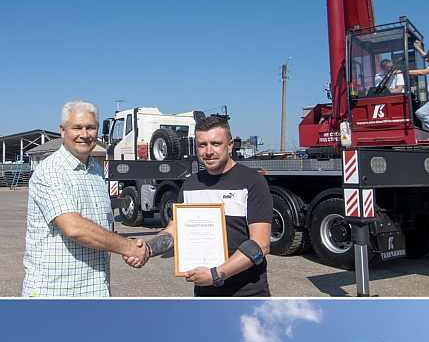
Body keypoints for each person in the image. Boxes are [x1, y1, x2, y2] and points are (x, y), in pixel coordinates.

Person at [22, 100, 149, 296]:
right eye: (77, 127)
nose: (84, 134)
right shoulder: (51, 170)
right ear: (63, 131)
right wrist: (127, 247)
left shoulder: (96, 170)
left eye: (90, 127)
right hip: (56, 292)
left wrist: (128, 244)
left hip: (95, 289)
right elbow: (74, 228)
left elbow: (101, 226)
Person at [136, 114, 271, 296]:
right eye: (202, 145)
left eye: (216, 144)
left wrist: (216, 274)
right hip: (204, 292)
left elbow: (260, 245)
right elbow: (174, 230)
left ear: (230, 145)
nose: (208, 151)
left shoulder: (252, 181)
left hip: (247, 294)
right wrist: (148, 249)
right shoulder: (190, 185)